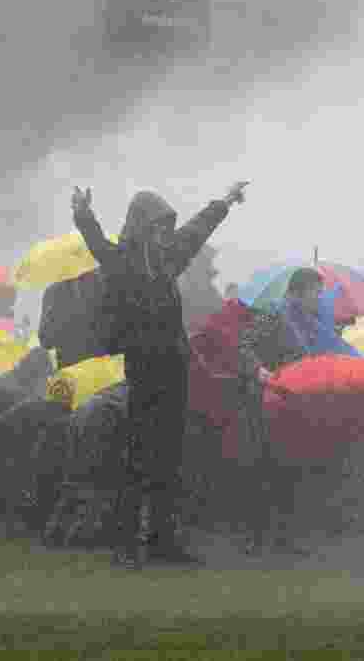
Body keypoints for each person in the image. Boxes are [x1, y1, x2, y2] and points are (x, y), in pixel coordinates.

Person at [71, 181, 249, 568]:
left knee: (169, 459)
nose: (165, 232)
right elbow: (96, 241)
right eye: (157, 226)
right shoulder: (121, 261)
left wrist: (224, 202)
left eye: (166, 226)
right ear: (141, 226)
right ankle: (125, 543)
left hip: (173, 367)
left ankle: (162, 543)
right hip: (143, 368)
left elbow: (197, 230)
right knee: (138, 456)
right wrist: (83, 213)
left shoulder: (170, 258)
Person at [237, 268, 359, 554]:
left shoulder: (313, 322)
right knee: (264, 467)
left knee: (290, 467)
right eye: (315, 292)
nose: (319, 298)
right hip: (267, 397)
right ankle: (255, 539)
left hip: (295, 400)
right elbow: (243, 345)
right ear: (297, 292)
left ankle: (284, 537)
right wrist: (259, 370)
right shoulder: (274, 315)